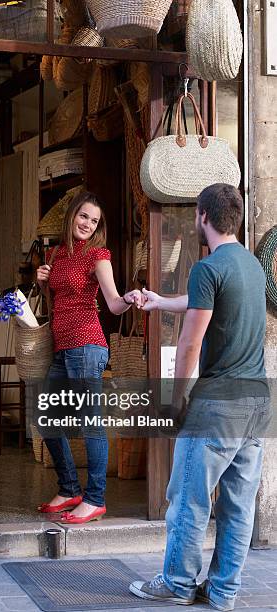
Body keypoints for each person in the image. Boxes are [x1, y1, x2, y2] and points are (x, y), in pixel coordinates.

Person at [129, 183, 270, 611]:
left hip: (217, 405)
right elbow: (207, 303)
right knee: (238, 505)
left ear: (203, 217)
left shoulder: (207, 267)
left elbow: (191, 342)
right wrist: (159, 302)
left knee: (188, 498)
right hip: (258, 402)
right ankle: (224, 591)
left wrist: (174, 398)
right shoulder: (252, 266)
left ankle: (177, 583)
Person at [36, 191, 142, 525]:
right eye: (84, 216)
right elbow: (56, 299)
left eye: (94, 220)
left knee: (88, 423)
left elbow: (111, 302)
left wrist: (129, 298)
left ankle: (95, 498)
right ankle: (69, 488)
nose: (87, 224)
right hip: (61, 345)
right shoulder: (56, 253)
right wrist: (40, 282)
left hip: (86, 344)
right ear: (72, 216)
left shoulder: (98, 254)